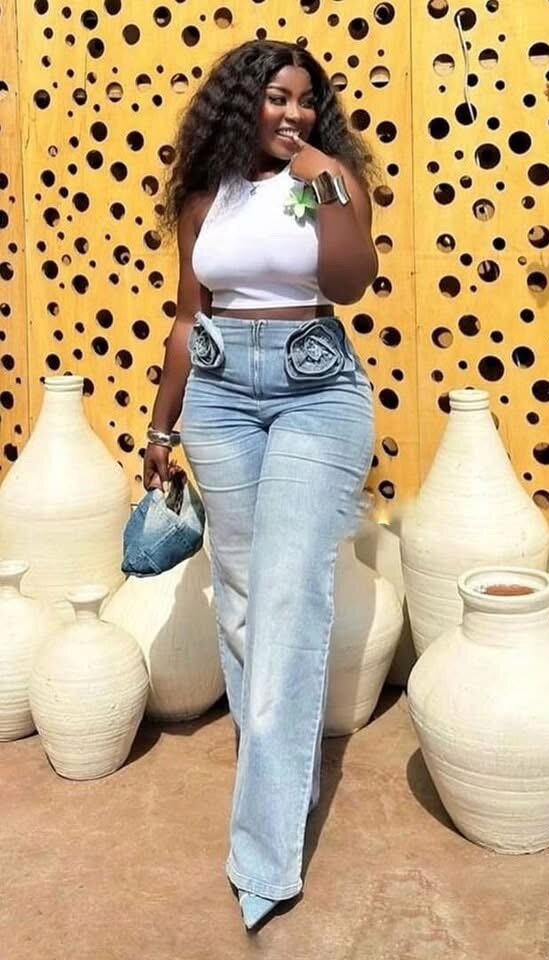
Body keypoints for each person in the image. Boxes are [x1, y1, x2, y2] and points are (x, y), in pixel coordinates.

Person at [143, 38, 378, 930]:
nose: (293, 112)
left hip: (316, 389)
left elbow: (351, 284)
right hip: (217, 397)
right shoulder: (206, 195)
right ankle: (277, 768)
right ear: (242, 102)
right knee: (241, 598)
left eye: (306, 100)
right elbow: (186, 314)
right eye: (277, 97)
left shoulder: (328, 182)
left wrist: (325, 184)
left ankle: (263, 857)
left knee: (286, 596)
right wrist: (160, 428)